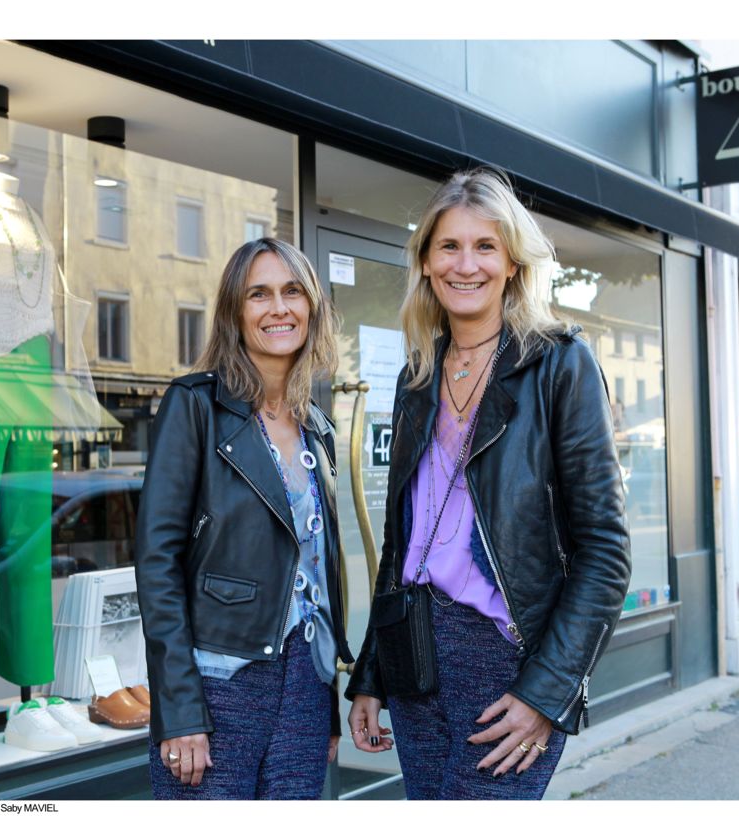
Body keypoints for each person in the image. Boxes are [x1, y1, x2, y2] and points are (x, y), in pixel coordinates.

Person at [345, 168, 631, 800]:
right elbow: (402, 543)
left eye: (485, 247)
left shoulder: (559, 363)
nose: (464, 264)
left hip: (506, 659)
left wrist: (546, 692)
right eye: (448, 246)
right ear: (424, 263)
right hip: (416, 650)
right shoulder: (416, 376)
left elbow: (605, 551)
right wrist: (372, 673)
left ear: (512, 263)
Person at [135, 237, 354, 799]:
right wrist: (179, 709)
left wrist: (325, 705)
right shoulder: (194, 406)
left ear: (312, 307)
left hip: (305, 683)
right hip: (218, 682)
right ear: (235, 312)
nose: (279, 308)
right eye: (259, 294)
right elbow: (157, 563)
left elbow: (316, 579)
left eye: (292, 292)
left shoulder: (318, 429)